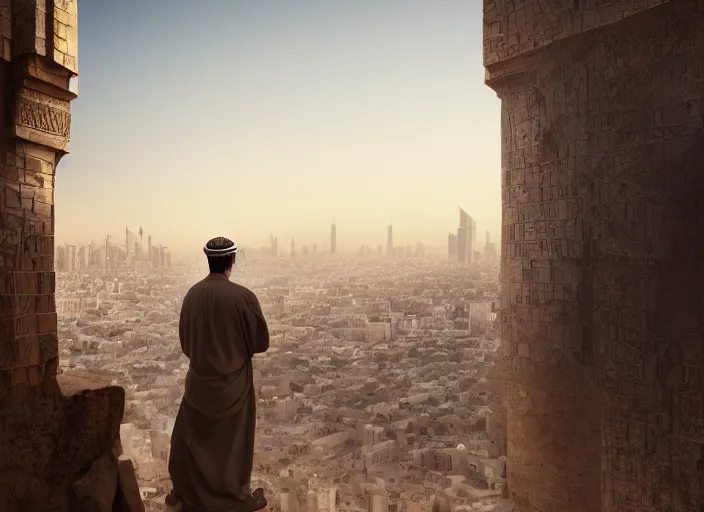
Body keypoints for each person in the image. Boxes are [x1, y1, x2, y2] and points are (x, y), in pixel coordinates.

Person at [166, 237, 269, 512]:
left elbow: (186, 344)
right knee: (232, 445)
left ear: (208, 259)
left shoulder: (191, 296)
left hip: (199, 385)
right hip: (233, 387)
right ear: (231, 261)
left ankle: (195, 497)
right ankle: (232, 498)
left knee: (197, 442)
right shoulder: (243, 297)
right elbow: (261, 342)